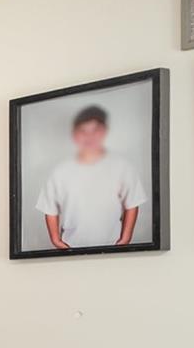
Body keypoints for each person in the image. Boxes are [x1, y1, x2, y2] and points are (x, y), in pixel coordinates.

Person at [35, 103, 148, 248]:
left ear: (104, 131)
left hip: (112, 244)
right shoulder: (61, 172)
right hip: (72, 245)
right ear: (75, 135)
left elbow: (132, 202)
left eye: (95, 130)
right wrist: (57, 241)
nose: (89, 136)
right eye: (83, 131)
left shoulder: (121, 167)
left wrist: (124, 239)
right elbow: (49, 206)